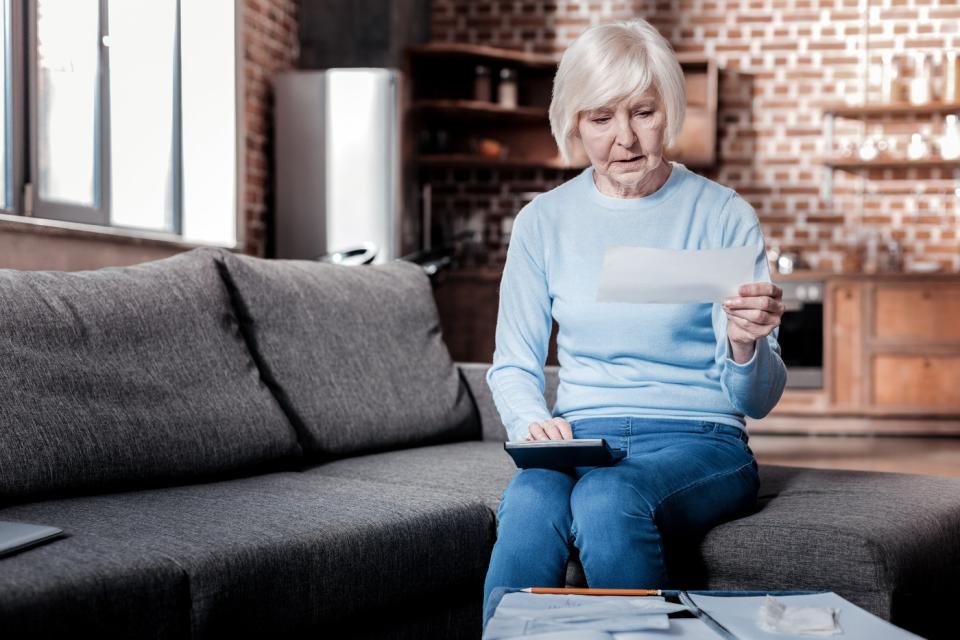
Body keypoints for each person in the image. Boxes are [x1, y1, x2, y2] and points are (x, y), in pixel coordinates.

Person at [481, 18, 788, 612]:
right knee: (529, 502)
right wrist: (529, 423)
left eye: (642, 112)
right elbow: (513, 363)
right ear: (573, 122)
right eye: (601, 118)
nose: (625, 138)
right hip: (581, 436)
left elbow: (757, 400)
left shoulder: (721, 214)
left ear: (668, 111)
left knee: (607, 498)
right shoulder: (543, 222)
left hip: (701, 438)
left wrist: (747, 347)